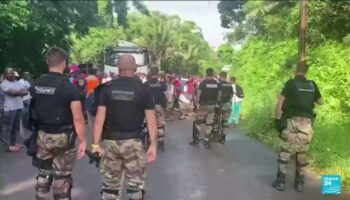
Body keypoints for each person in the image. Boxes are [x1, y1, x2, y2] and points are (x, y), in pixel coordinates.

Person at [92, 54, 157, 200]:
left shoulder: (106, 88)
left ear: (118, 68)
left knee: (110, 186)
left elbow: (99, 120)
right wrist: (153, 144)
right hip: (133, 143)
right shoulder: (143, 89)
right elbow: (151, 120)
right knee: (135, 187)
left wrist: (96, 145)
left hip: (110, 143)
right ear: (134, 69)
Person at [30, 47, 86, 199]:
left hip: (42, 136)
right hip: (63, 138)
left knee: (43, 173)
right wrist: (83, 140)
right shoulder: (69, 87)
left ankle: (41, 196)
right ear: (65, 63)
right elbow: (78, 118)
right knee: (61, 178)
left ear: (47, 62)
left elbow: (31, 110)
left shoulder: (35, 85)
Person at [272, 62, 322, 192]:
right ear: (306, 71)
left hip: (291, 121)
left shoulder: (290, 84)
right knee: (302, 152)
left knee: (286, 151)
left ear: (295, 70)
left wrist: (277, 120)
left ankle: (280, 182)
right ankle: (299, 184)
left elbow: (279, 103)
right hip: (306, 123)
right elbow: (320, 102)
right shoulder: (312, 84)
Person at [190, 68, 219, 148]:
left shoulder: (203, 83)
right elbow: (219, 95)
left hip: (203, 106)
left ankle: (195, 141)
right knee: (209, 123)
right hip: (212, 106)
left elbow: (198, 95)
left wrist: (195, 105)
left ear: (206, 74)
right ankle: (207, 141)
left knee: (197, 122)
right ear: (212, 74)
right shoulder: (216, 83)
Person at [1, 68, 28, 152]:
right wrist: (19, 92)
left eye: (11, 73)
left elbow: (26, 92)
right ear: (5, 75)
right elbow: (11, 93)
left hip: (18, 107)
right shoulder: (3, 84)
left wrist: (17, 92)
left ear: (13, 74)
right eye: (7, 73)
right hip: (9, 109)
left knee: (15, 128)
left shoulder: (17, 83)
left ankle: (13, 143)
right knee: (8, 128)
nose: (9, 75)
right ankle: (7, 146)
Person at [145, 67, 168, 152]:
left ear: (150, 73)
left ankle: (150, 144)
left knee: (149, 125)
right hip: (159, 107)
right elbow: (167, 96)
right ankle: (161, 145)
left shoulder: (146, 84)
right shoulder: (162, 84)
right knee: (160, 125)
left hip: (148, 108)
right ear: (158, 74)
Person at [217, 71, 233, 143]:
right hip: (228, 104)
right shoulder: (230, 85)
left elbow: (219, 94)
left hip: (220, 104)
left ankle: (215, 134)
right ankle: (223, 137)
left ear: (220, 76)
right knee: (225, 121)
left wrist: (218, 101)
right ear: (226, 76)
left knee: (216, 119)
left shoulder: (219, 84)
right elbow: (231, 95)